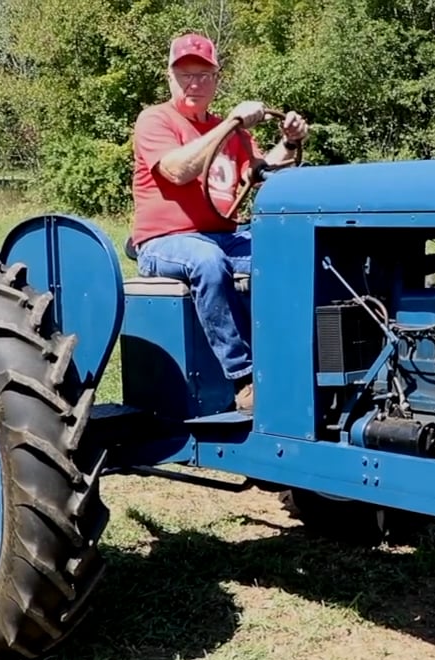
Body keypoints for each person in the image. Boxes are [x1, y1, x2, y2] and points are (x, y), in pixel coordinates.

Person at [130, 32, 308, 413]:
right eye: (185, 75)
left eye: (203, 75)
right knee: (207, 261)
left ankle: (290, 363)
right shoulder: (155, 120)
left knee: (288, 255)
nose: (194, 83)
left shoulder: (232, 133)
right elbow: (177, 170)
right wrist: (228, 122)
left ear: (216, 79)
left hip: (223, 236)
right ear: (169, 77)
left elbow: (258, 172)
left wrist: (290, 142)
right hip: (165, 242)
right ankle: (243, 377)